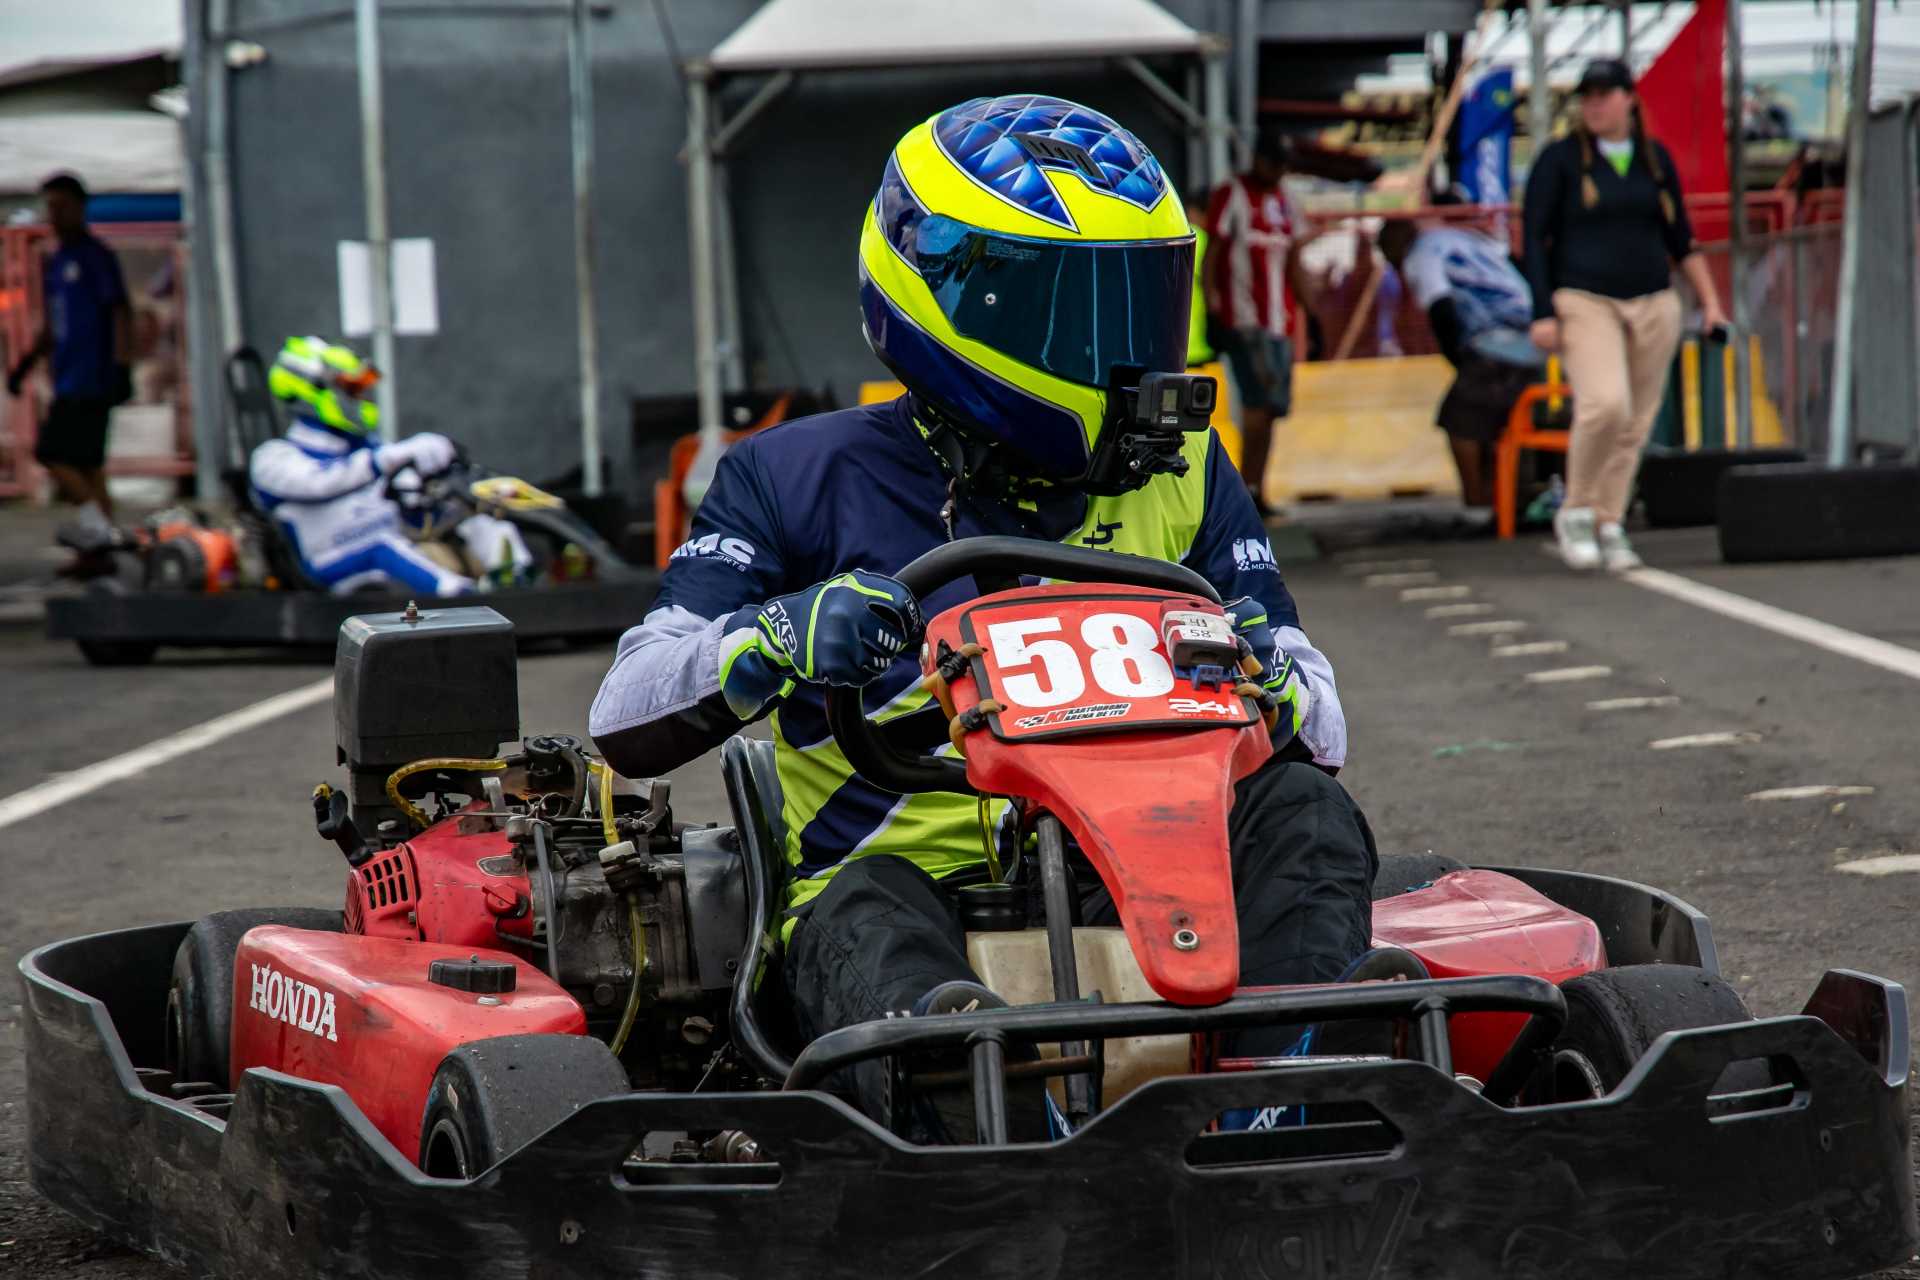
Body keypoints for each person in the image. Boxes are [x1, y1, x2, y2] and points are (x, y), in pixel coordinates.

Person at [590, 95, 1416, 1144]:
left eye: (1138, 305)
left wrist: (1278, 677)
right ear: (947, 297)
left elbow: (1323, 721)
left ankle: (1276, 1107)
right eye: (1078, 313)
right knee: (870, 907)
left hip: (1147, 874)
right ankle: (991, 1123)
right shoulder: (791, 476)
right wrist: (772, 639)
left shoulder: (1187, 470)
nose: (1121, 350)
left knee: (1304, 808)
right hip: (904, 890)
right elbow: (624, 709)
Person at [1524, 58, 1728, 572]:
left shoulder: (1655, 159)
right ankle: (1576, 509)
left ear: (1628, 99)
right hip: (1585, 297)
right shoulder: (1560, 159)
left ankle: (1608, 519)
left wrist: (1710, 303)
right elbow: (1533, 237)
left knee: (1636, 419)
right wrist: (1542, 311)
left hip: (1653, 300)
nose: (1594, 106)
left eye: (1604, 95)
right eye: (1587, 97)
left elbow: (1680, 238)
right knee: (1605, 404)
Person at [250, 336, 529, 595]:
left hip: (394, 542)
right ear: (311, 390)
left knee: (475, 511)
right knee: (384, 548)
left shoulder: (368, 448)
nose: (359, 399)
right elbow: (320, 482)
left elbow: (400, 490)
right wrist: (392, 457)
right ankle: (467, 599)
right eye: (351, 389)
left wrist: (440, 486)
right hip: (330, 565)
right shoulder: (273, 458)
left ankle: (518, 584)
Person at [5, 173, 133, 564]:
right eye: (51, 207)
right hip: (67, 376)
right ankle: (99, 557)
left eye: (62, 206)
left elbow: (120, 311)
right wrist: (26, 363)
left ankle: (99, 535)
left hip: (92, 377)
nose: (55, 215)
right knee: (89, 466)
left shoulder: (95, 257)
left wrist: (122, 365)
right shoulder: (57, 261)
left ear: (80, 208)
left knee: (52, 452)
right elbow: (53, 323)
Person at [1378, 217, 1544, 510]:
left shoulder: (1421, 255)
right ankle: (1508, 497)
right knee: (1502, 420)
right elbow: (1517, 264)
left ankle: (1477, 500)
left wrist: (1457, 357)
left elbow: (1441, 307)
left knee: (1459, 420)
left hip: (1494, 340)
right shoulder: (1464, 239)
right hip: (1534, 335)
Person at [1201, 133, 1313, 516]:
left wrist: (1311, 315)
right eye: (1273, 163)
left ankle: (1256, 488)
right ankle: (1245, 492)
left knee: (1272, 409)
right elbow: (1213, 254)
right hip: (1244, 318)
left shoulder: (1287, 201)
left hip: (1281, 322)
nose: (1278, 171)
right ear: (1258, 160)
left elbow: (1296, 260)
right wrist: (1214, 308)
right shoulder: (1232, 194)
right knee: (1257, 404)